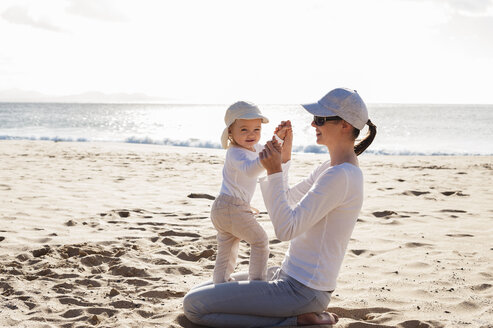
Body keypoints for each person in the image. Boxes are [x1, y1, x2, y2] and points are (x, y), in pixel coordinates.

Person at [183, 88, 377, 327]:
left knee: (194, 307)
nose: (313, 123)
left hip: (302, 290)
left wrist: (274, 170)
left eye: (320, 119)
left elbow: (285, 229)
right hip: (287, 275)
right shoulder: (330, 167)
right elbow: (287, 199)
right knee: (204, 289)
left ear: (345, 125)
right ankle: (293, 315)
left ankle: (294, 321)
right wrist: (283, 159)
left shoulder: (342, 175)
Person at [211, 101, 290, 284]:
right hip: (231, 207)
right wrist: (268, 158)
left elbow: (270, 150)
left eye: (256, 129)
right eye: (244, 130)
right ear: (230, 131)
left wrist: (278, 137)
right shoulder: (235, 152)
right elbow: (250, 170)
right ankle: (257, 283)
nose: (251, 134)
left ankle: (220, 283)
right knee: (260, 241)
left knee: (228, 248)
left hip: (225, 208)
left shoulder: (256, 148)